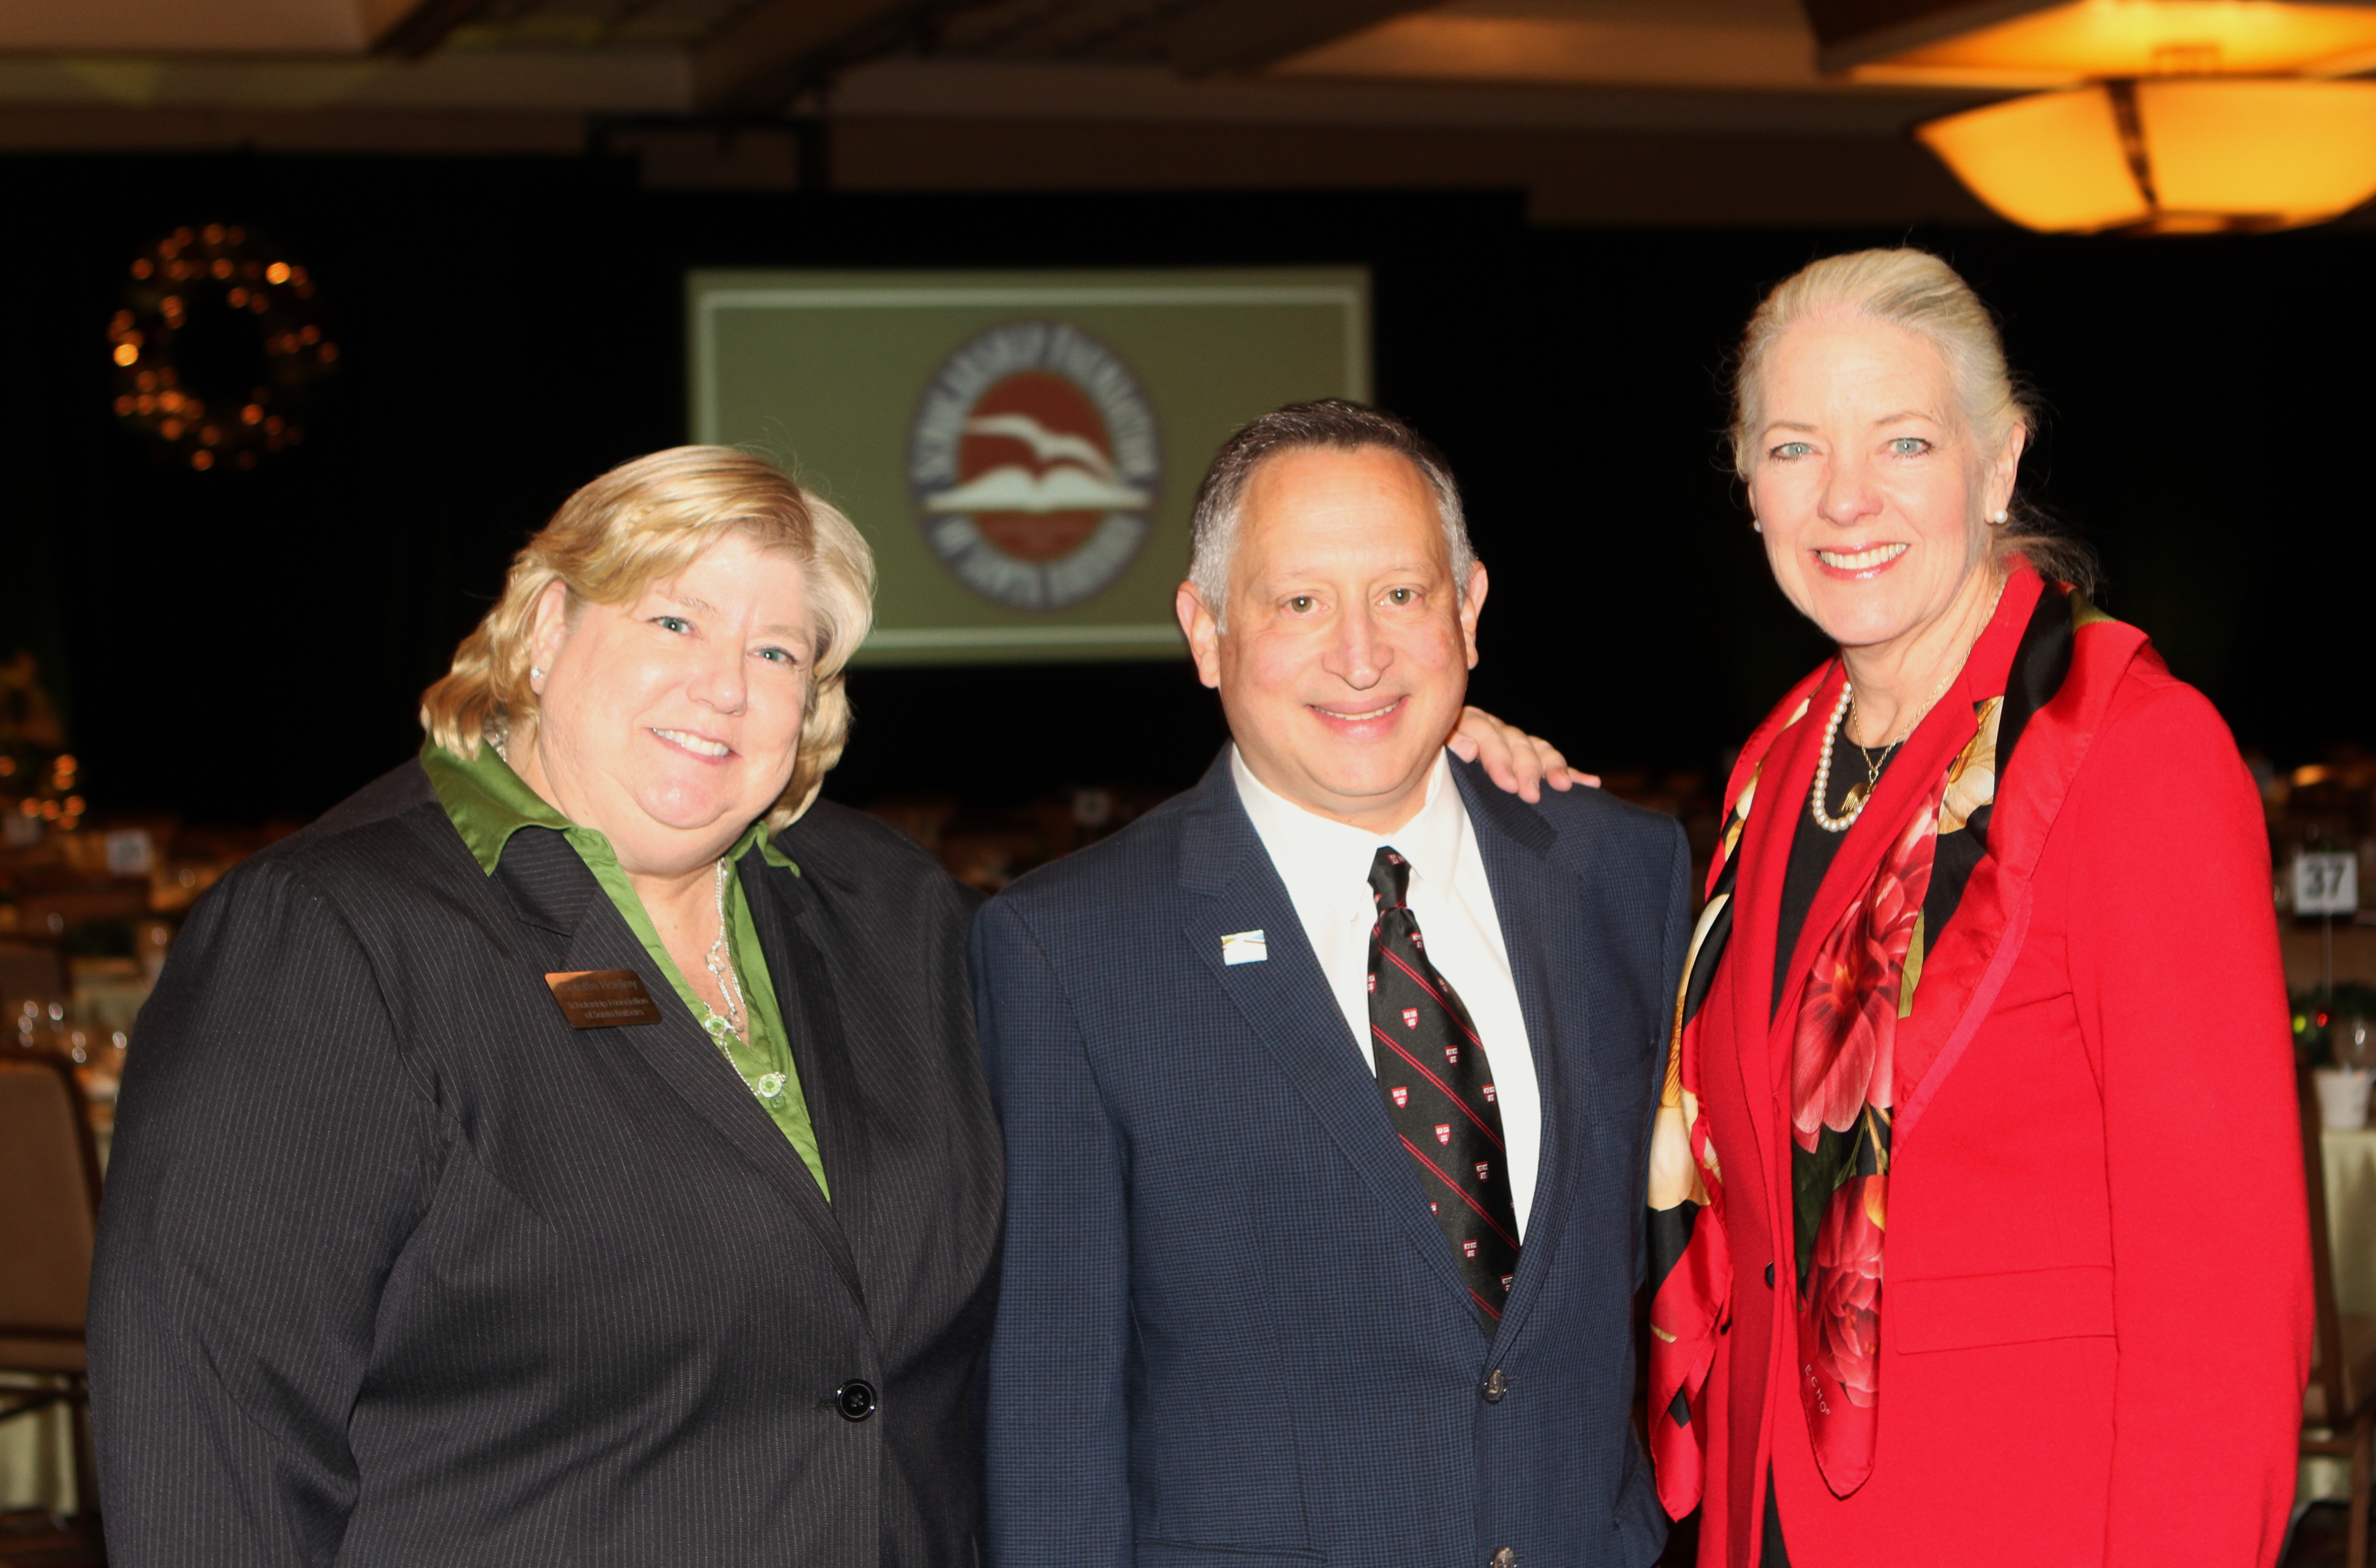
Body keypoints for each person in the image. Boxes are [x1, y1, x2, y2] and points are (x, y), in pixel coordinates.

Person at [1455, 249, 2310, 1566]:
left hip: (2029, 1515)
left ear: (2000, 457)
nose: (1844, 497)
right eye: (1794, 448)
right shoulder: (1777, 764)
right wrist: (1450, 782)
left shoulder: (2128, 751)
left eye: (1903, 440)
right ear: (1746, 486)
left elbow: (2226, 1297)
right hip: (1777, 1519)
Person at [87, 447, 1002, 1566]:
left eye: (777, 651)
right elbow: (212, 1423)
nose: (727, 686)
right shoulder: (334, 935)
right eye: (677, 623)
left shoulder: (894, 912)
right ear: (545, 627)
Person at [972, 400, 1692, 1568]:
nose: (1361, 654)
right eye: (1299, 602)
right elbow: (1055, 1405)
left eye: (1402, 596)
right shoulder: (1070, 949)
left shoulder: (1624, 875)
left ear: (1468, 610)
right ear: (1204, 633)